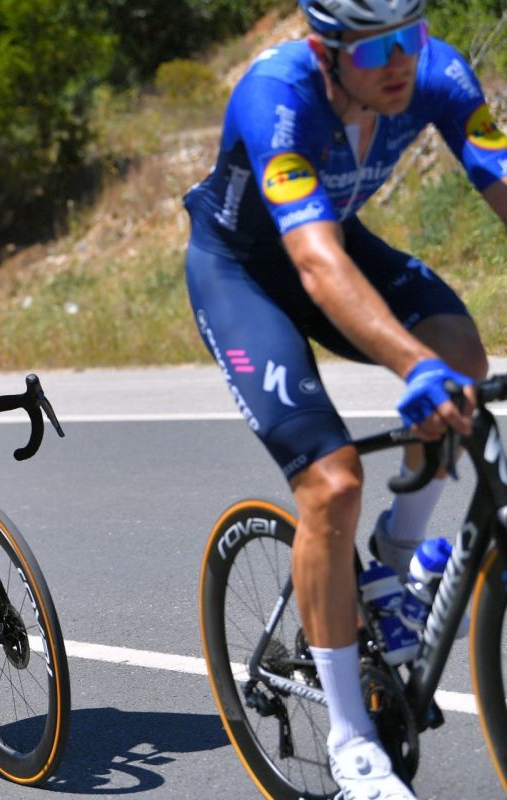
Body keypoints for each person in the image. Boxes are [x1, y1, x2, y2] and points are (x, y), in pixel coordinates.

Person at [183, 0, 506, 796]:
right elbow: (316, 265)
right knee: (332, 482)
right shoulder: (276, 96)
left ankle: (395, 565)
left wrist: (435, 365)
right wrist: (414, 368)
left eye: (410, 38)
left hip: (337, 243)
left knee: (464, 355)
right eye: (374, 49)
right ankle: (352, 741)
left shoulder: (438, 74)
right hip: (246, 276)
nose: (399, 62)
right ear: (324, 50)